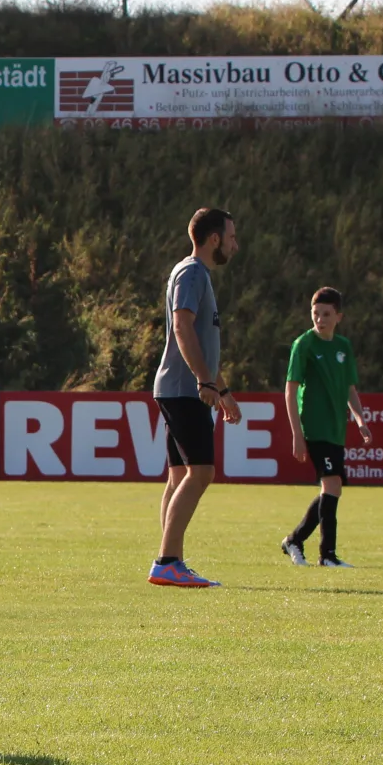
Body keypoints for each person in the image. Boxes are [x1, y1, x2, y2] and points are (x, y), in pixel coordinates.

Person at [150, 207, 245, 588]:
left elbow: (202, 344)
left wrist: (222, 390)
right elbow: (182, 327)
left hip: (182, 387)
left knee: (178, 476)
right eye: (232, 237)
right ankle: (167, 561)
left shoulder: (195, 273)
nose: (235, 245)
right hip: (183, 389)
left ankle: (171, 560)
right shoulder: (192, 272)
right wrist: (204, 382)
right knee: (201, 471)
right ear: (214, 239)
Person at [280, 286, 373, 567]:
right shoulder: (304, 344)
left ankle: (295, 540)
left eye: (326, 314)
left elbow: (350, 388)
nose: (320, 319)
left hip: (335, 429)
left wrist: (360, 420)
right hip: (314, 427)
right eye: (316, 313)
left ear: (338, 316)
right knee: (332, 484)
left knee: (332, 489)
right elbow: (290, 390)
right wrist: (297, 434)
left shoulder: (343, 347)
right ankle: (327, 555)